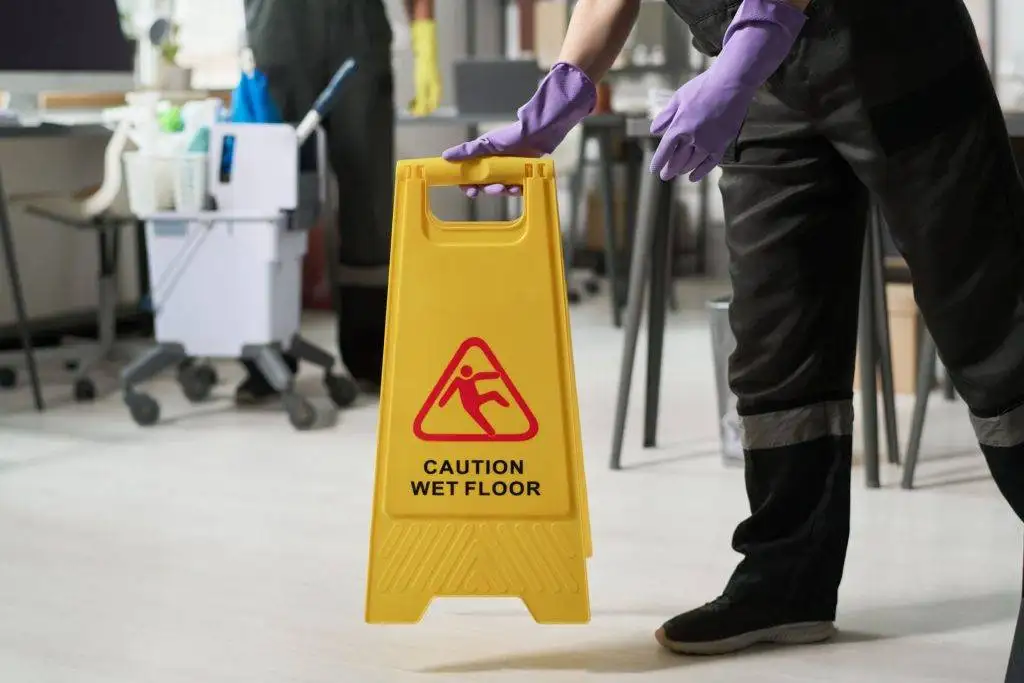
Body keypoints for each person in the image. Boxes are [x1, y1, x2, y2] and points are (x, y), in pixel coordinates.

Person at [443, 0, 1024, 677]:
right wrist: (562, 94)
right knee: (775, 327)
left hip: (890, 44)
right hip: (770, 82)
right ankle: (787, 576)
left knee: (989, 316)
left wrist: (744, 59)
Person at [237, 0, 441, 403]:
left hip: (357, 29)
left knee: (369, 201)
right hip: (279, 30)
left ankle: (372, 355)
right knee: (270, 199)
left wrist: (424, 33)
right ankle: (265, 353)